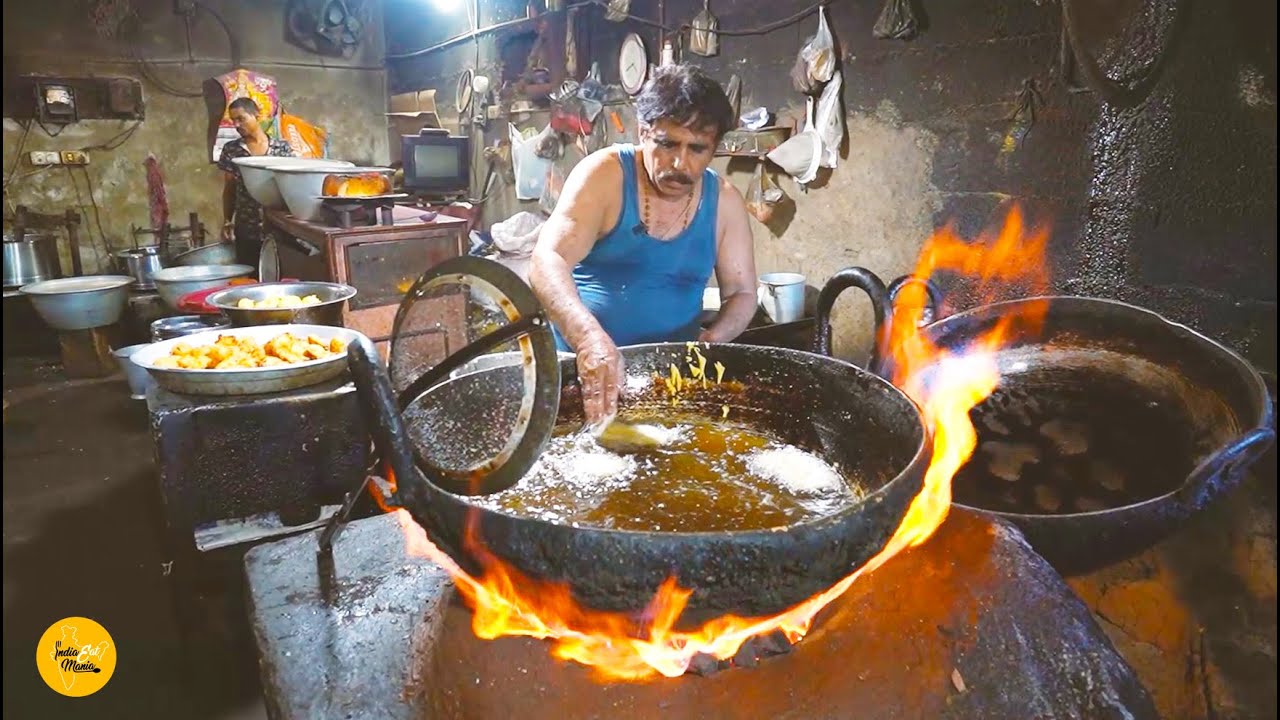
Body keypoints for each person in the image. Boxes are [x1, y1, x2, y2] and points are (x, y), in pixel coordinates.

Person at [530, 64, 758, 426]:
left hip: (671, 382)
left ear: (714, 148)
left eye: (697, 148)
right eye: (667, 144)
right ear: (643, 132)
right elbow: (547, 259)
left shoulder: (724, 202)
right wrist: (589, 341)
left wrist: (713, 339)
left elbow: (743, 293)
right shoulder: (604, 176)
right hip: (582, 372)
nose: (679, 163)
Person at [218, 96, 295, 266]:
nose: (237, 125)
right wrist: (227, 220)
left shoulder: (281, 148)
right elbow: (229, 188)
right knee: (249, 275)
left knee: (280, 273)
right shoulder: (232, 149)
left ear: (257, 116)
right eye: (233, 120)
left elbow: (291, 186)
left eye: (241, 119)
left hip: (279, 226)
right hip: (247, 224)